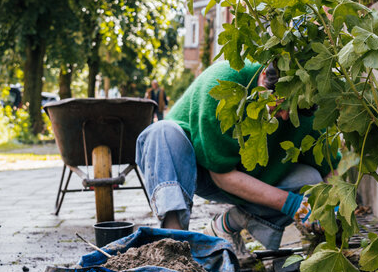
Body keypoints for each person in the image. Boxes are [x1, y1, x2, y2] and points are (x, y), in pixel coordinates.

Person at [135, 60, 335, 256]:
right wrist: (292, 204)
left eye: (293, 111)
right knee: (161, 131)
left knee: (310, 182)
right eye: (281, 105)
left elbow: (329, 171)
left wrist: (333, 209)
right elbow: (222, 176)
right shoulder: (223, 82)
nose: (284, 116)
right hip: (198, 170)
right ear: (264, 75)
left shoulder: (305, 113)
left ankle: (227, 225)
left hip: (256, 177)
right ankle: (176, 246)